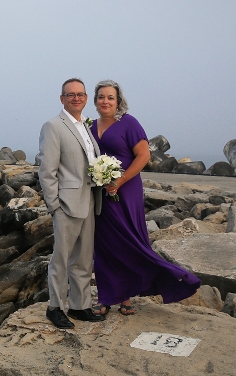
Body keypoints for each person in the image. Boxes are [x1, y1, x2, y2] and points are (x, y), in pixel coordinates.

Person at [89, 80, 201, 316]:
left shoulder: (128, 123)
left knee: (130, 242)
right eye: (101, 97)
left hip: (126, 190)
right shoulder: (90, 127)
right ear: (95, 100)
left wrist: (119, 181)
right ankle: (107, 297)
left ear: (118, 101)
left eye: (110, 97)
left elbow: (143, 156)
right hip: (100, 193)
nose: (105, 101)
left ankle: (140, 292)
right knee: (106, 244)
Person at [38, 78, 106, 329]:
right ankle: (55, 307)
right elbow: (47, 170)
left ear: (86, 98)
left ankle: (80, 306)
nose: (76, 98)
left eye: (80, 94)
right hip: (65, 204)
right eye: (70, 95)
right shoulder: (53, 126)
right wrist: (54, 205)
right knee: (61, 258)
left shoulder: (85, 127)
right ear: (62, 99)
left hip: (89, 200)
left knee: (84, 259)